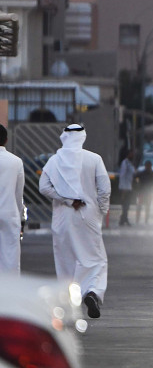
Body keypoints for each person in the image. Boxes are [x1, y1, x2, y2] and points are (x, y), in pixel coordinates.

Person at [38, 124, 111, 318]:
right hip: (88, 213)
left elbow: (43, 187)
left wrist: (66, 199)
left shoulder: (54, 161)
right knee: (94, 258)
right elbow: (104, 189)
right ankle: (92, 292)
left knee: (65, 259)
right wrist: (101, 210)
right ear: (82, 136)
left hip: (62, 216)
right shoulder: (94, 158)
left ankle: (68, 301)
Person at [0, 124, 25, 274]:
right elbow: (18, 193)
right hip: (9, 213)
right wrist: (20, 216)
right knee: (10, 257)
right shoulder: (16, 161)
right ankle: (10, 286)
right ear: (6, 140)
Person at [117, 149, 136, 226]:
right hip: (125, 187)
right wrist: (123, 188)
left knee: (127, 205)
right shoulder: (125, 163)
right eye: (131, 154)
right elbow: (122, 175)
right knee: (125, 204)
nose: (132, 155)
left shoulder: (130, 163)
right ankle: (123, 219)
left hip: (129, 186)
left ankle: (124, 218)